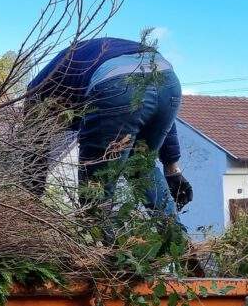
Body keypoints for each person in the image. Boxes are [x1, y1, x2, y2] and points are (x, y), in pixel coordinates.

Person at [26, 37, 190, 214]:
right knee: (141, 165)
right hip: (167, 80)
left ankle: (100, 240)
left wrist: (31, 196)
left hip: (116, 82)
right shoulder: (75, 64)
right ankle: (176, 238)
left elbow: (35, 150)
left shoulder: (37, 93)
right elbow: (158, 114)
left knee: (95, 189)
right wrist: (172, 167)